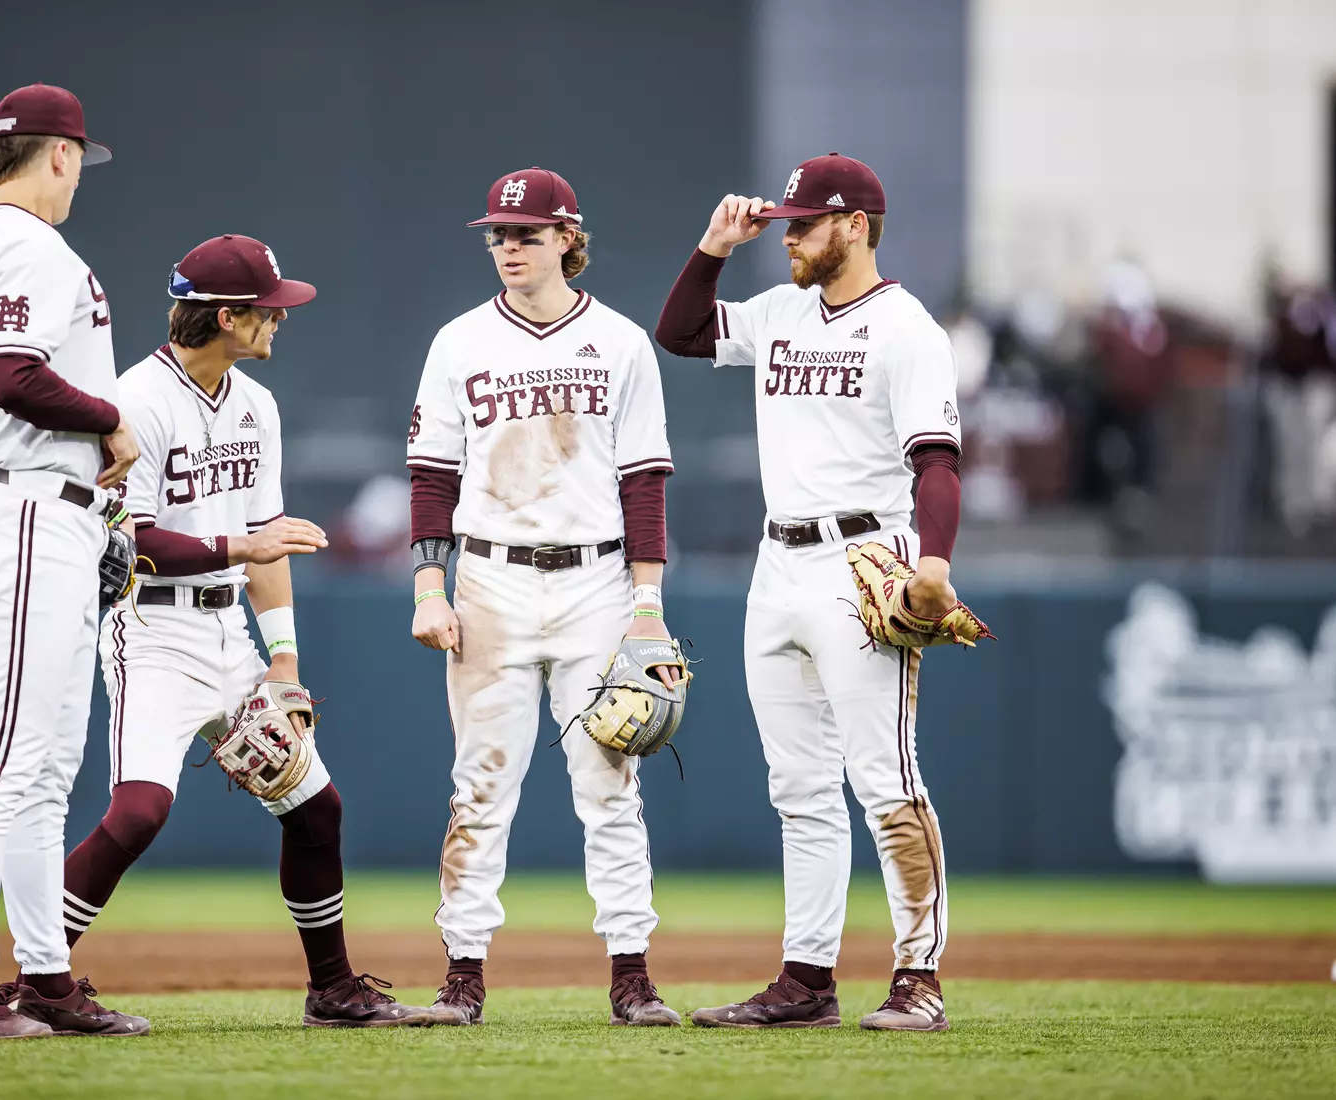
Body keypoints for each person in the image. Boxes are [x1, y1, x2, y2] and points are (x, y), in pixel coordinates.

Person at [61, 235, 432, 1028]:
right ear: (224, 316)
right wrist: (238, 546)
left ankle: (332, 990)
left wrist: (284, 662)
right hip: (152, 633)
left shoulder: (254, 402)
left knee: (316, 810)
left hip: (230, 631)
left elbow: (269, 541)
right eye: (267, 310)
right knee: (136, 815)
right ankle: (37, 977)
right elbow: (137, 543)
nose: (279, 321)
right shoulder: (138, 401)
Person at [656, 153, 962, 1032]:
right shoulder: (781, 313)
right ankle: (806, 982)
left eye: (804, 223)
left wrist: (932, 563)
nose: (786, 235)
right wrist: (713, 247)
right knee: (797, 788)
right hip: (777, 561)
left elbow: (934, 460)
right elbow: (679, 332)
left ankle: (919, 979)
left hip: (865, 560)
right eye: (784, 221)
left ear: (855, 226)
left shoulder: (907, 328)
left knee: (886, 779)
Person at [407, 167, 680, 1027]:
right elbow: (429, 474)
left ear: (568, 236)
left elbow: (644, 480)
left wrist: (647, 601)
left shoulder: (622, 341)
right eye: (497, 234)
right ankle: (462, 975)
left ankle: (631, 974)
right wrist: (429, 585)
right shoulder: (458, 341)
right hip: (488, 580)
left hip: (597, 581)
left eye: (524, 233)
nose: (508, 248)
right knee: (479, 783)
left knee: (609, 780)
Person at [0, 83, 146, 1040]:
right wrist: (110, 417)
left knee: (47, 765)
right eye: (78, 160)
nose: (77, 177)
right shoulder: (25, 243)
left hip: (57, 513)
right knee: (3, 759)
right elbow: (10, 375)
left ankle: (48, 983)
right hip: (27, 507)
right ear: (59, 154)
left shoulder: (6, 242)